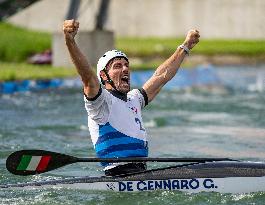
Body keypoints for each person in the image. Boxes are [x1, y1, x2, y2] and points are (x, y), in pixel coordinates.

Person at [63, 19, 200, 176]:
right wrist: (70, 41)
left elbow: (161, 76)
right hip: (117, 175)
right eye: (118, 66)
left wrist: (185, 46)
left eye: (126, 65)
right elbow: (87, 76)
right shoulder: (101, 102)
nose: (125, 69)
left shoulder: (134, 98)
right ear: (103, 75)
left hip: (141, 172)